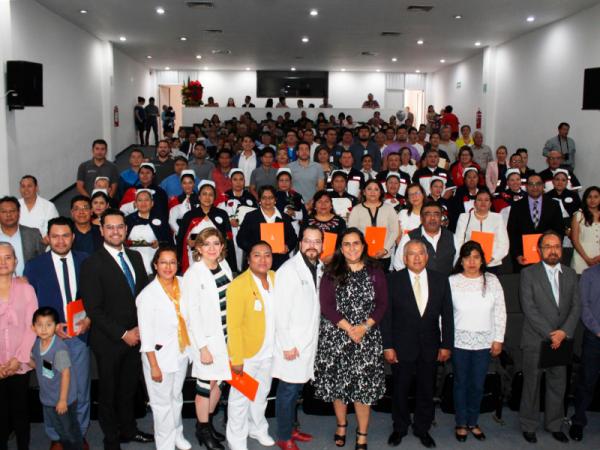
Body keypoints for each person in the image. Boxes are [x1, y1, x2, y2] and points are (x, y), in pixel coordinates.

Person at [80, 209, 152, 450]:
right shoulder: (92, 263)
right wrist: (124, 334)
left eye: (120, 226)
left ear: (126, 229)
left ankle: (129, 430)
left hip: (136, 336)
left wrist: (140, 328)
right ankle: (111, 440)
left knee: (128, 389)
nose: (115, 231)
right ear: (101, 230)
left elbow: (144, 296)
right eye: (109, 227)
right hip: (109, 340)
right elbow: (94, 309)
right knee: (109, 393)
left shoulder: (135, 256)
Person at [313, 228, 387, 450]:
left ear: (363, 246)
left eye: (356, 243)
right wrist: (349, 329)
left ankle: (362, 433)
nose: (352, 248)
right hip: (337, 337)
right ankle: (342, 425)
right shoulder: (331, 271)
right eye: (347, 244)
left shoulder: (375, 270)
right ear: (341, 248)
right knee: (339, 385)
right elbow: (327, 305)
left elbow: (382, 303)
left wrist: (363, 327)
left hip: (367, 338)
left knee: (363, 388)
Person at [24, 217, 91, 448]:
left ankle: (79, 433)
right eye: (55, 236)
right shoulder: (35, 266)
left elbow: (94, 296)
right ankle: (56, 437)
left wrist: (89, 319)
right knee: (51, 388)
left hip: (78, 337)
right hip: (48, 343)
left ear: (73, 237)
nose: (60, 241)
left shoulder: (86, 260)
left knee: (80, 389)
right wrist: (48, 330)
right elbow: (30, 305)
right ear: (47, 238)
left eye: (65, 236)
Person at [382, 239, 453, 448]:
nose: (416, 257)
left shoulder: (440, 280)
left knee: (426, 390)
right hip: (401, 346)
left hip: (431, 346)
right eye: (411, 254)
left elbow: (447, 315)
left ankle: (423, 428)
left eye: (420, 253)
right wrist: (387, 346)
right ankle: (400, 427)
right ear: (404, 259)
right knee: (400, 389)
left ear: (427, 256)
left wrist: (446, 345)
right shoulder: (392, 280)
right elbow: (386, 316)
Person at [519, 231, 581, 444]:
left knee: (558, 383)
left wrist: (564, 332)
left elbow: (576, 306)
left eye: (556, 246)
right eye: (547, 246)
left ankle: (554, 424)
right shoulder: (528, 274)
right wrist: (550, 334)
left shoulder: (570, 274)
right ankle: (528, 425)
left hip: (562, 339)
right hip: (536, 338)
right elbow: (529, 308)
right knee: (532, 385)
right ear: (539, 250)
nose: (552, 250)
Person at [272, 227, 324, 450]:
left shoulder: (318, 267)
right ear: (300, 243)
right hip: (292, 343)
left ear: (322, 245)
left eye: (317, 241)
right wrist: (287, 344)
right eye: (308, 241)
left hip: (307, 341)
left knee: (296, 389)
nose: (312, 245)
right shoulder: (288, 270)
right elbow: (279, 311)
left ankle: (291, 428)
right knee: (287, 391)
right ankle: (284, 436)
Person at [449, 242, 506, 442]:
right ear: (461, 261)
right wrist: (444, 341)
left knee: (478, 385)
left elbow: (500, 311)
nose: (471, 262)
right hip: (459, 342)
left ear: (482, 260)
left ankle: (473, 421)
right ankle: (461, 422)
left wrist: (498, 339)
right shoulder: (452, 281)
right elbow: (443, 315)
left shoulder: (492, 280)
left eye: (476, 257)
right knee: (460, 383)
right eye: (467, 257)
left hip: (484, 342)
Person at [181, 229, 232, 450]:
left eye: (216, 243)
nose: (212, 248)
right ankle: (202, 430)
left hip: (226, 336)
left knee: (219, 381)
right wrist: (202, 347)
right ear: (199, 248)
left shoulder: (224, 265)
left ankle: (208, 423)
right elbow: (191, 314)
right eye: (206, 244)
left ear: (222, 246)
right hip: (207, 341)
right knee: (205, 385)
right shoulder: (194, 274)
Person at [137, 246, 192, 450]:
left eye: (172, 262)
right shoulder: (147, 295)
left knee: (176, 397)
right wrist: (154, 366)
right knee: (161, 405)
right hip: (158, 358)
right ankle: (165, 444)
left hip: (181, 352)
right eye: (163, 262)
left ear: (178, 265)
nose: (168, 267)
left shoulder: (184, 284)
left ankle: (177, 434)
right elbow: (146, 336)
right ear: (155, 265)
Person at [226, 241, 277, 450]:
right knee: (240, 399)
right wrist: (236, 358)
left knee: (262, 394)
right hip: (247, 354)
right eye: (257, 255)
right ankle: (236, 439)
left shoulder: (275, 278)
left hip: (269, 350)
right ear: (248, 259)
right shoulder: (238, 285)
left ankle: (257, 428)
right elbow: (234, 326)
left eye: (267, 255)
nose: (263, 259)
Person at [0, 242, 38, 450]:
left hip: (19, 362)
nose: (3, 262)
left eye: (7, 257)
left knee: (20, 412)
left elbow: (31, 326)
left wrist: (18, 358)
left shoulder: (26, 289)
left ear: (15, 262)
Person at [31, 307, 84, 450]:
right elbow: (41, 365)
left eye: (48, 325)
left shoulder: (59, 349)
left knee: (70, 431)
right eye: (39, 325)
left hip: (64, 399)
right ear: (33, 327)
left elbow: (66, 374)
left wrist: (62, 400)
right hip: (48, 398)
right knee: (60, 431)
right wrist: (23, 361)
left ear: (56, 327)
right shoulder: (37, 345)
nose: (44, 329)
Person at [507, 174, 564, 272]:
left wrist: (553, 251)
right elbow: (512, 233)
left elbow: (559, 231)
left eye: (538, 184)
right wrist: (517, 255)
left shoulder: (553, 205)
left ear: (543, 186)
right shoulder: (517, 206)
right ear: (526, 186)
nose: (535, 187)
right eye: (531, 184)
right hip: (523, 259)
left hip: (548, 256)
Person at [176, 180, 235, 273]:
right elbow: (180, 238)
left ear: (214, 197)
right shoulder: (189, 215)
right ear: (199, 197)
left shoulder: (222, 214)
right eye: (204, 194)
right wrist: (187, 242)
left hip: (216, 257)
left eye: (211, 194)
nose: (207, 197)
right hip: (195, 259)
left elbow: (228, 238)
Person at [570, 262, 600, 441]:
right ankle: (578, 421)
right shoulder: (589, 274)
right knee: (587, 381)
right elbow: (583, 306)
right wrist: (597, 330)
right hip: (594, 337)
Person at [236, 186, 297, 271]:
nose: (267, 201)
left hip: (280, 261)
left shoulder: (284, 217)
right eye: (264, 198)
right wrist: (254, 249)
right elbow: (240, 239)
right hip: (257, 260)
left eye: (271, 197)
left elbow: (293, 238)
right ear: (259, 200)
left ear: (275, 199)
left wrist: (287, 246)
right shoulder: (250, 217)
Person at [393, 201, 456, 275]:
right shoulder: (409, 238)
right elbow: (398, 265)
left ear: (441, 217)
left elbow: (458, 263)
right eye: (428, 214)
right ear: (421, 218)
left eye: (436, 214)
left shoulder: (452, 237)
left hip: (446, 281)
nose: (432, 218)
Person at [348, 180, 399, 269]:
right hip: (362, 255)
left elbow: (394, 231)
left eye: (376, 189)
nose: (372, 192)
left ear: (380, 192)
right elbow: (352, 233)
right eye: (369, 189)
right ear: (364, 192)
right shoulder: (356, 209)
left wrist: (385, 249)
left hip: (384, 255)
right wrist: (362, 250)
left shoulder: (389, 209)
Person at [454, 190, 509, 272]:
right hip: (469, 263)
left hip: (491, 264)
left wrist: (492, 258)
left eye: (486, 200)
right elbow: (458, 241)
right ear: (475, 203)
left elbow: (504, 244)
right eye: (480, 200)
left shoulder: (498, 218)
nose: (483, 202)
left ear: (490, 204)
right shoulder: (464, 217)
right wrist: (467, 258)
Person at [125, 190, 171, 275]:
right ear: (135, 203)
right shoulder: (128, 220)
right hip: (133, 264)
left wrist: (159, 243)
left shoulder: (160, 220)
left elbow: (169, 241)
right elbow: (121, 242)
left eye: (146, 200)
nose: (143, 203)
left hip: (155, 265)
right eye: (140, 200)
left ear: (152, 203)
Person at [0, 196, 46, 276]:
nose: (8, 215)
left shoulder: (33, 234)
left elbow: (43, 261)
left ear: (19, 213)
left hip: (28, 282)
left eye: (12, 211)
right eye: (4, 212)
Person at [18, 175, 59, 240]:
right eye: (23, 186)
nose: (26, 189)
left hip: (41, 244)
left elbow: (54, 229)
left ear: (36, 188)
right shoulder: (14, 206)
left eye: (29, 186)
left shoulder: (49, 207)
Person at [571, 186, 600, 274]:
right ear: (585, 199)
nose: (592, 200)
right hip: (581, 258)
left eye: (596, 197)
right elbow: (575, 241)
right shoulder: (578, 215)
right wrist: (587, 259)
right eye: (589, 197)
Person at [275, 169, 306, 236]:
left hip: (294, 228)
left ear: (291, 182)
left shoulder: (297, 196)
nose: (284, 183)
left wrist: (294, 213)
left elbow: (304, 215)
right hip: (276, 227)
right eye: (281, 180)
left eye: (287, 180)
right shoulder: (272, 196)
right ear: (277, 182)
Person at [168, 170, 197, 236]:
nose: (187, 186)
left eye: (190, 182)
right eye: (184, 183)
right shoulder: (175, 201)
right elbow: (172, 221)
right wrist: (182, 235)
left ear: (194, 183)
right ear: (181, 184)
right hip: (180, 235)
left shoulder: (201, 200)